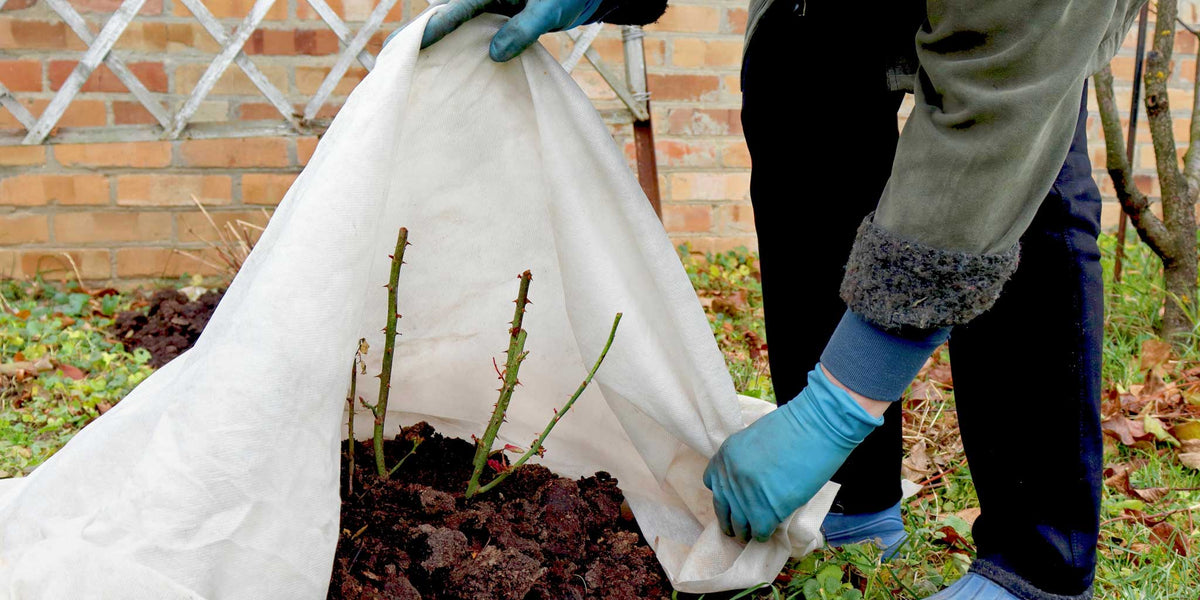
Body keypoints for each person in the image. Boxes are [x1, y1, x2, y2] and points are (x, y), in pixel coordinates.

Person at [419, 1, 1145, 598]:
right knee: (795, 60)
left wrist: (839, 404)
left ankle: (1035, 564)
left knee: (1025, 157)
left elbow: (998, 111)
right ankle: (853, 505)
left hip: (1027, 23)